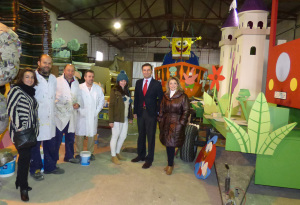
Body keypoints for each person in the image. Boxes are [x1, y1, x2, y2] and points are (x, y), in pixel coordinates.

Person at [30, 54, 64, 181]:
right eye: (45, 63)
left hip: (50, 118)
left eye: (49, 63)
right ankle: (35, 169)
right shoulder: (32, 77)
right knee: (35, 146)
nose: (47, 65)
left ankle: (50, 167)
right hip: (37, 117)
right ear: (39, 63)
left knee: (51, 144)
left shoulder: (54, 79)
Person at [7, 68, 39, 202]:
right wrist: (21, 127)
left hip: (30, 132)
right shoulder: (16, 90)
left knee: (25, 157)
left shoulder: (30, 92)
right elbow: (11, 109)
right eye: (27, 77)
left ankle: (20, 181)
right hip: (21, 132)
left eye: (32, 77)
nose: (30, 79)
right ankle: (23, 188)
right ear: (22, 78)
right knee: (25, 159)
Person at [131, 63, 163, 169]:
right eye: (144, 70)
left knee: (150, 137)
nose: (146, 72)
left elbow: (161, 100)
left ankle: (149, 159)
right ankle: (141, 155)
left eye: (148, 70)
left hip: (151, 114)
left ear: (151, 71)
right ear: (142, 71)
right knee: (141, 135)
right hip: (140, 113)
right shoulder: (139, 82)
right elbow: (136, 98)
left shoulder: (157, 84)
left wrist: (157, 112)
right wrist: (135, 111)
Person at [158, 76, 190, 175]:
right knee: (168, 144)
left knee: (171, 144)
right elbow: (161, 108)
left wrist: (181, 122)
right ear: (168, 85)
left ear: (178, 85)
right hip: (166, 122)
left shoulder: (183, 96)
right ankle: (169, 163)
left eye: (174, 83)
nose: (172, 85)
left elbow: (186, 111)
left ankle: (170, 165)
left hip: (176, 122)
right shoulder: (165, 95)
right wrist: (160, 119)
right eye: (170, 83)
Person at [55, 64, 81, 164]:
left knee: (70, 137)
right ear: (64, 71)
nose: (70, 73)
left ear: (74, 72)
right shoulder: (57, 81)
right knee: (57, 138)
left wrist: (78, 103)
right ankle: (54, 159)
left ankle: (69, 156)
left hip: (71, 115)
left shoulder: (76, 82)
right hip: (60, 115)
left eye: (72, 71)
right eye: (68, 70)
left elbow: (78, 96)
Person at [75, 70, 104, 161]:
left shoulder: (97, 88)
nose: (91, 78)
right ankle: (78, 153)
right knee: (79, 134)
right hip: (81, 115)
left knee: (91, 135)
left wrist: (96, 111)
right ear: (85, 77)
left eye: (92, 76)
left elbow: (101, 101)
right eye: (89, 76)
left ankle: (90, 152)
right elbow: (75, 100)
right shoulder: (79, 87)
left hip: (93, 115)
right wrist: (80, 110)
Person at [109, 70, 133, 165]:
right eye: (121, 80)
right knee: (115, 136)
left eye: (125, 80)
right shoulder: (114, 90)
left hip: (125, 118)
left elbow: (129, 105)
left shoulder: (127, 91)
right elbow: (111, 106)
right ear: (118, 81)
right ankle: (113, 155)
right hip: (116, 118)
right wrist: (111, 120)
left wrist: (130, 117)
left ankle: (118, 152)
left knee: (123, 136)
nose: (123, 82)